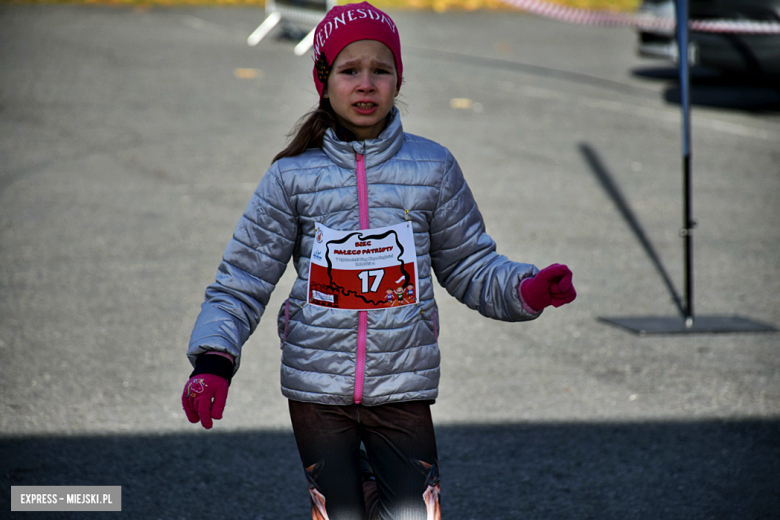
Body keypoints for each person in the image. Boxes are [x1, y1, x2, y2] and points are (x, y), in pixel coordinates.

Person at [181, 3, 576, 519]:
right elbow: (242, 280)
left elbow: (470, 265)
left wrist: (526, 289)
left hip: (402, 382)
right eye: (349, 71)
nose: (365, 84)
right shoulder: (291, 177)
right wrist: (214, 361)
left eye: (380, 70)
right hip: (317, 388)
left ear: (398, 79)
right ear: (324, 81)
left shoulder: (432, 167)